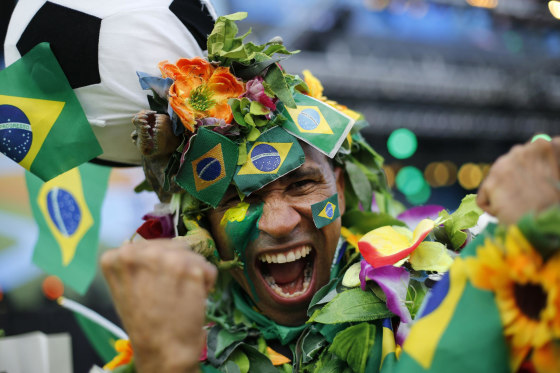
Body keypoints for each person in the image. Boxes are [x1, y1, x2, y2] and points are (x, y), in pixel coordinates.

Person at [100, 12, 560, 373]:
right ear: (205, 227)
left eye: (302, 185)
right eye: (239, 199)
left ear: (339, 188)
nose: (279, 223)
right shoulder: (166, 348)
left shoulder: (433, 299)